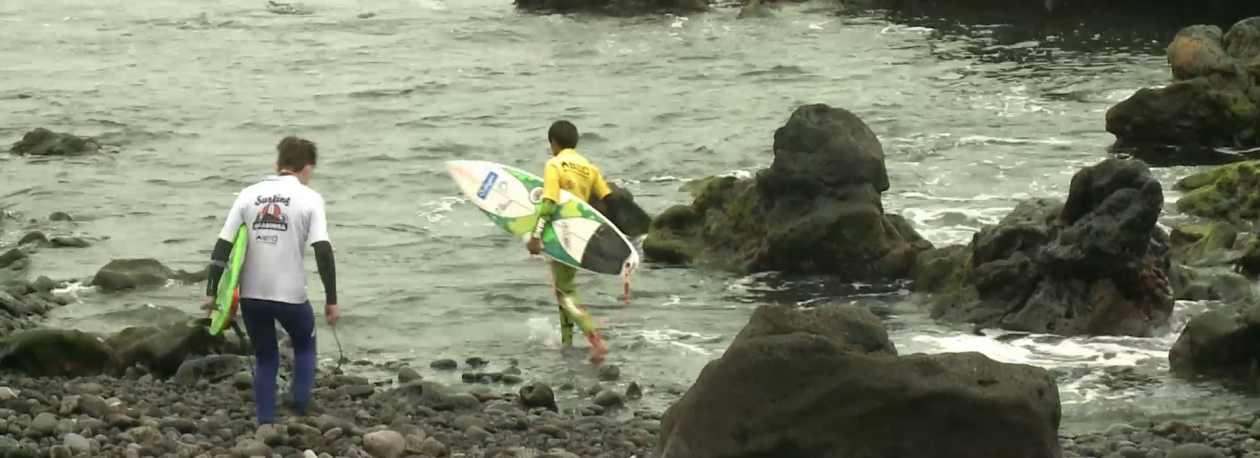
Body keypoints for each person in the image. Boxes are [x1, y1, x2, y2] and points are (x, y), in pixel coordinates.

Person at [203, 136, 340, 427]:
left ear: (277, 165)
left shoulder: (247, 195)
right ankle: (299, 407)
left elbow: (222, 246)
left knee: (266, 356)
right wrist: (331, 300)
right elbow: (323, 252)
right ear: (307, 168)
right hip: (291, 296)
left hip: (252, 295)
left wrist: (211, 293)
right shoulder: (310, 198)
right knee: (305, 343)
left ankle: (265, 421)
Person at [526, 120, 612, 363]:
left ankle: (596, 341)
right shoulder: (589, 167)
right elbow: (607, 200)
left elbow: (549, 201)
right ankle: (567, 344)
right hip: (582, 235)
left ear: (554, 143)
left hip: (561, 235)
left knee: (565, 291)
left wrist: (535, 236)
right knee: (563, 288)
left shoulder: (554, 164)